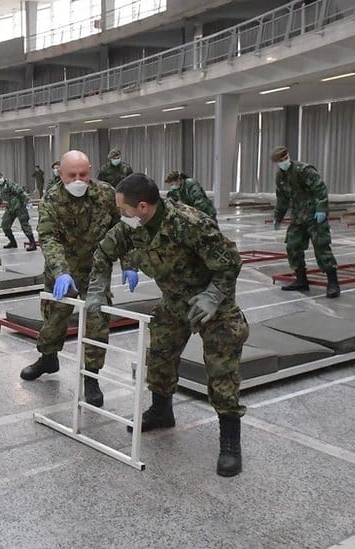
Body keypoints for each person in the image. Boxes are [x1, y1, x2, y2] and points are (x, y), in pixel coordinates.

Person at [86, 173, 247, 477]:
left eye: (123, 208)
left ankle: (230, 441)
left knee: (221, 371)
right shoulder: (131, 226)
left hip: (213, 304)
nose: (120, 214)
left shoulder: (190, 223)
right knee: (160, 358)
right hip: (173, 302)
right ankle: (161, 410)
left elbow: (230, 262)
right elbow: (103, 254)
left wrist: (213, 296)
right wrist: (97, 289)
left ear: (143, 207)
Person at [21, 151, 120, 407]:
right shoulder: (52, 199)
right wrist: (61, 271)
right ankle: (48, 359)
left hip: (96, 270)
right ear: (60, 173)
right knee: (54, 318)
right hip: (61, 270)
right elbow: (49, 238)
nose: (78, 180)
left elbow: (120, 231)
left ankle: (91, 377)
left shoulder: (106, 194)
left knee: (97, 321)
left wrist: (129, 264)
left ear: (90, 170)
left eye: (83, 174)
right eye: (71, 175)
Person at [271, 145, 340, 298]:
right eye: (280, 160)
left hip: (315, 217)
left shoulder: (304, 170)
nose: (284, 162)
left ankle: (333, 283)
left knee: (321, 247)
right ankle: (301, 280)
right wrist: (278, 217)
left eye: (285, 158)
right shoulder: (280, 177)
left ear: (288, 156)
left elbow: (320, 189)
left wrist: (321, 209)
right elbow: (282, 198)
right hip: (298, 217)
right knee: (292, 246)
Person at [0, 170, 36, 251]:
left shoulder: (9, 183)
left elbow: (20, 191)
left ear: (2, 176)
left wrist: (27, 201)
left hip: (19, 206)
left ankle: (32, 243)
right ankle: (13, 242)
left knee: (24, 225)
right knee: (5, 224)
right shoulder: (0, 187)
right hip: (10, 208)